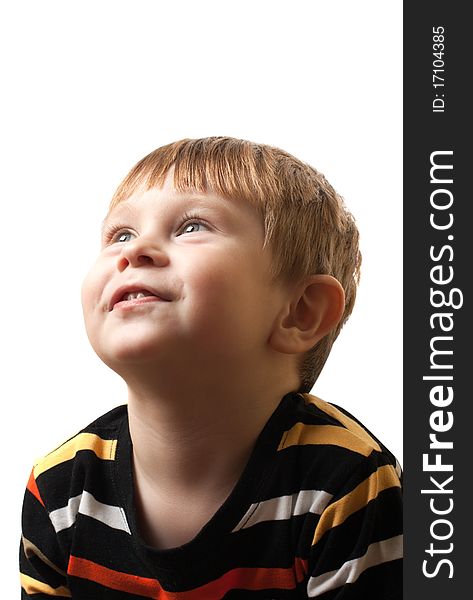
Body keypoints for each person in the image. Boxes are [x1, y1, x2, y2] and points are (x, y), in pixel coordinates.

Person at [20, 137, 402, 599]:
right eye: (120, 234)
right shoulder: (61, 490)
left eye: (191, 226)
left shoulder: (346, 486)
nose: (135, 250)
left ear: (300, 312)